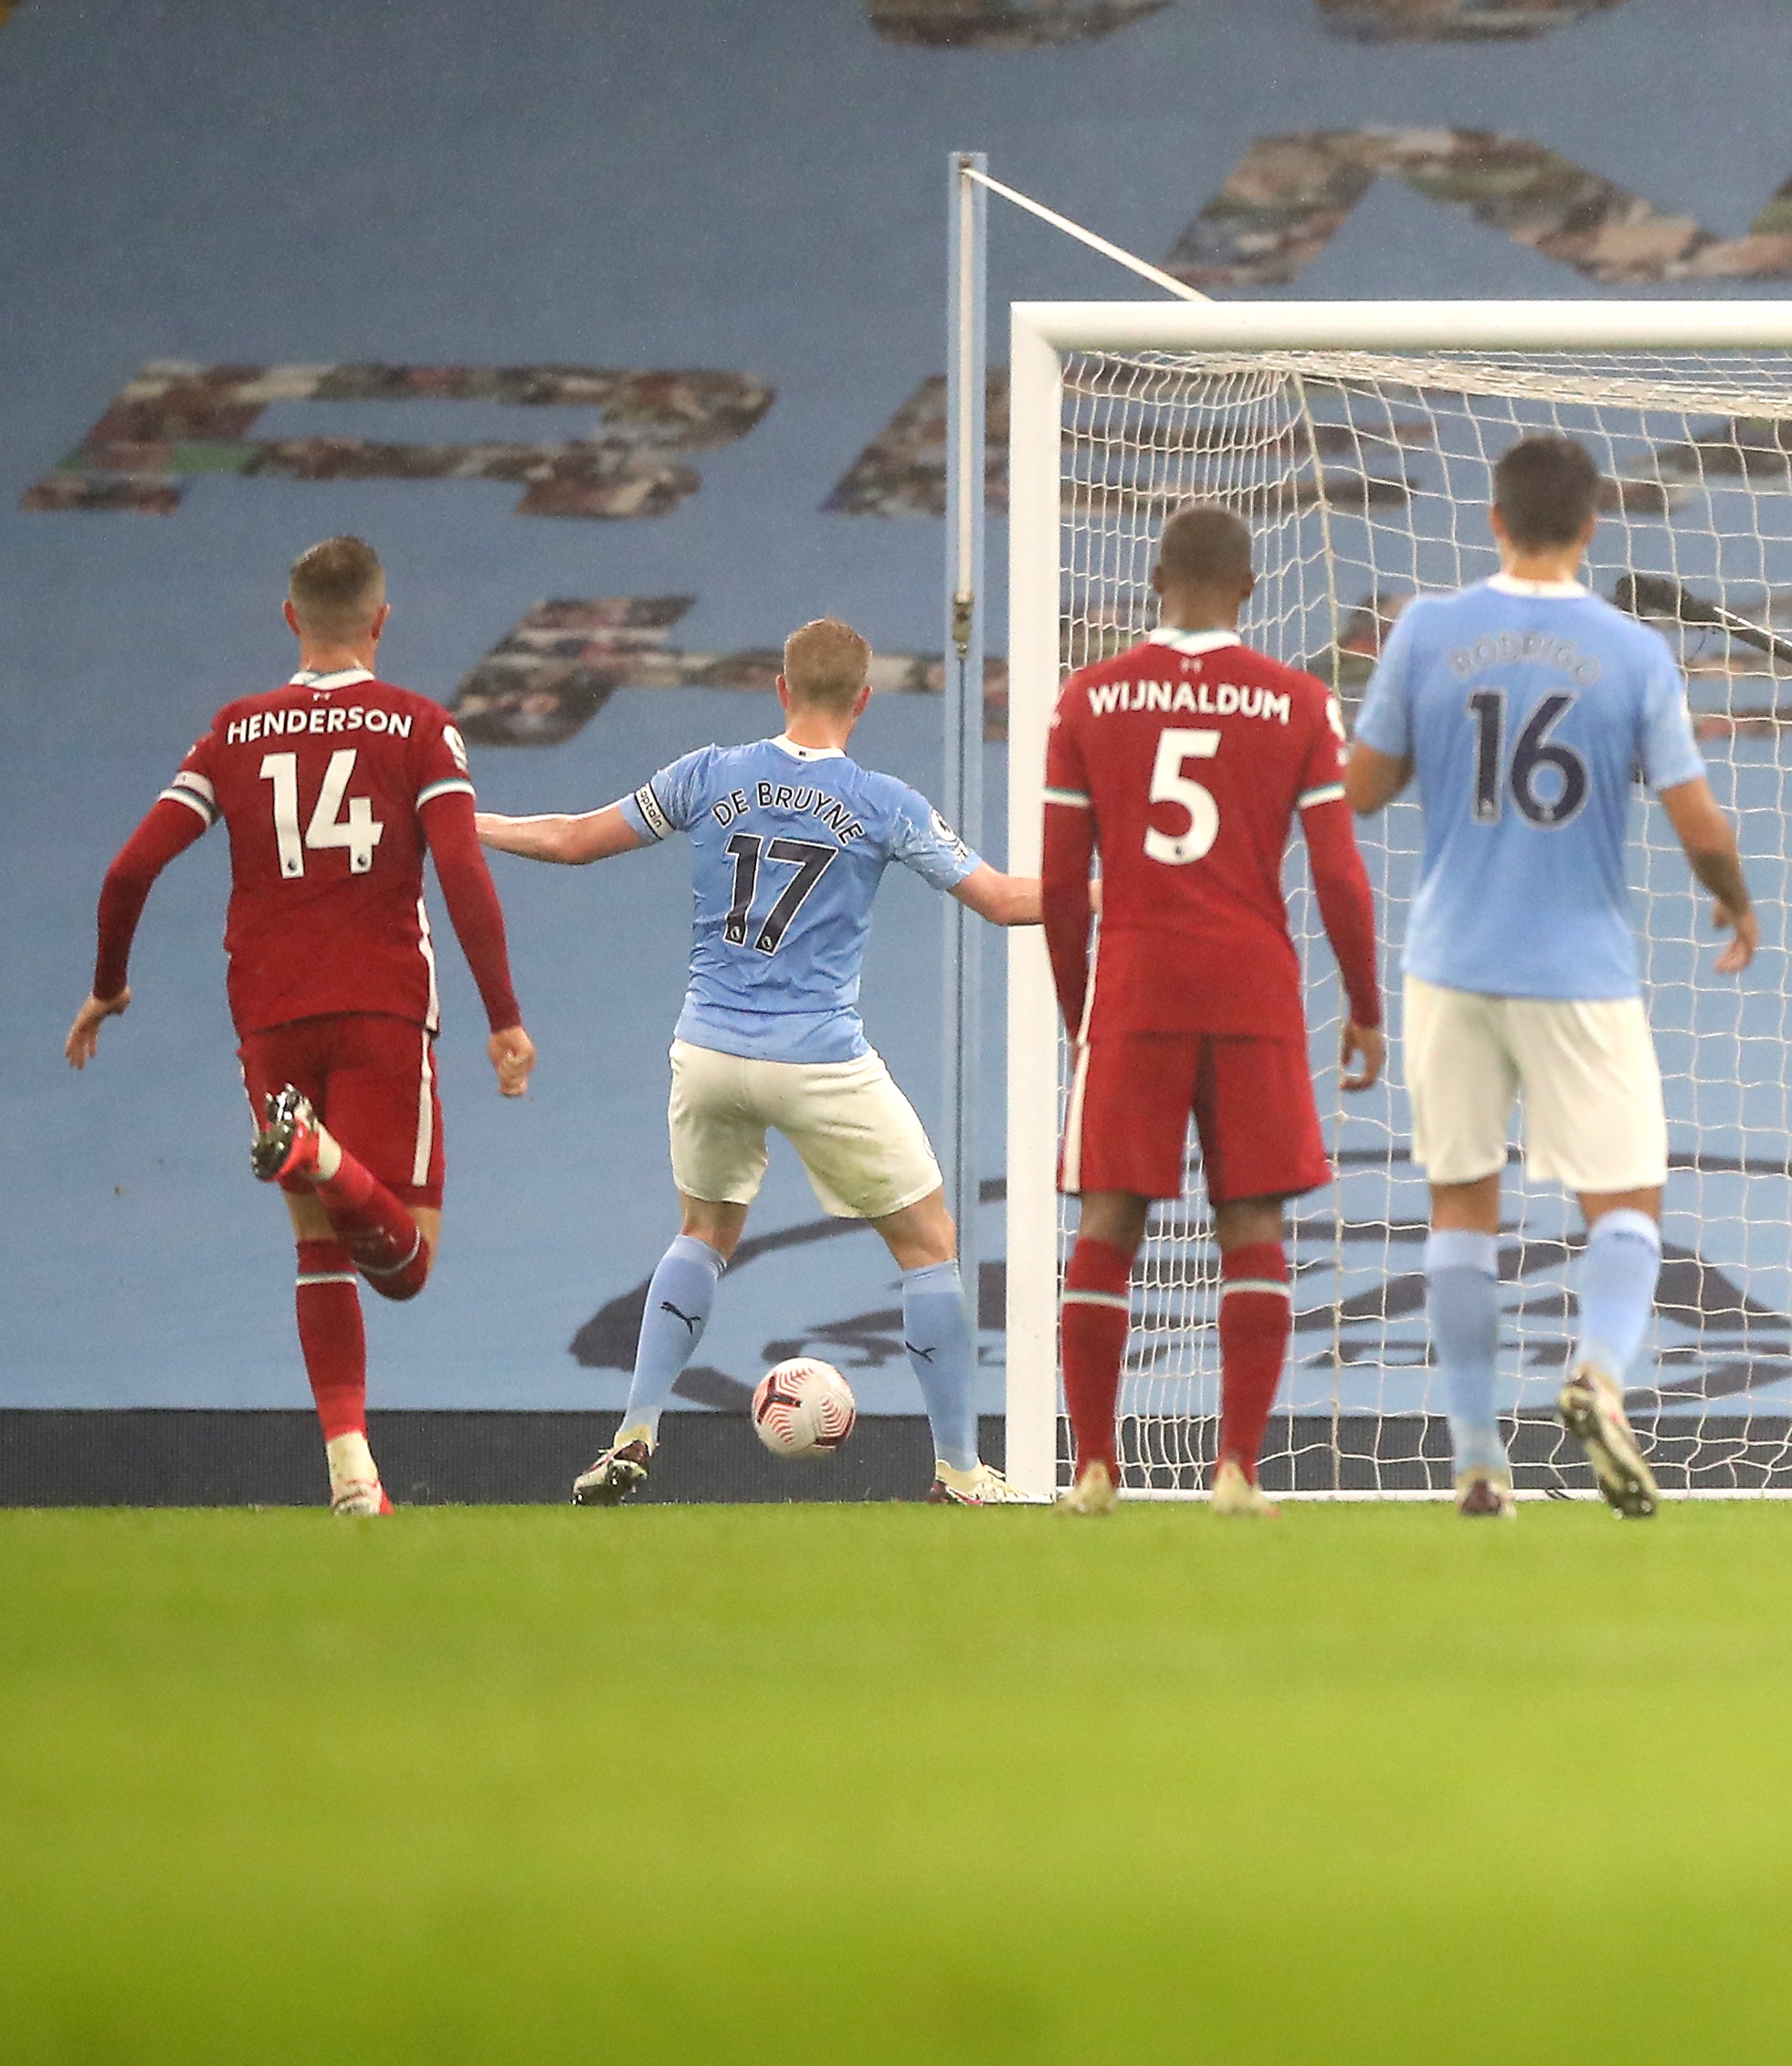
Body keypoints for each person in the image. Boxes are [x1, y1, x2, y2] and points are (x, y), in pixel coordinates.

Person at [481, 618, 1038, 1503]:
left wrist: (463, 822)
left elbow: (574, 839)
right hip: (817, 1054)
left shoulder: (708, 772)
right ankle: (961, 1470)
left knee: (702, 1232)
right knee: (929, 1243)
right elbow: (1006, 902)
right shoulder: (883, 799)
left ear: (779, 689)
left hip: (707, 1048)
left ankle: (633, 1430)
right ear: (863, 699)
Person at [67, 536, 535, 1516]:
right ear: (381, 619)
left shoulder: (233, 731)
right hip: (383, 1005)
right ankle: (321, 1156)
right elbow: (461, 870)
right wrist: (504, 1017)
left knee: (318, 1250)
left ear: (290, 619)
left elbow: (126, 871)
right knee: (405, 1264)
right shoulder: (419, 728)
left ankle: (351, 1469)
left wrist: (109, 984)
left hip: (269, 1013)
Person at [1344, 436, 1755, 1522]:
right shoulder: (1630, 651)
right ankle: (1601, 1374)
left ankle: (1480, 1461)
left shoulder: (1427, 629)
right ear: (1591, 525)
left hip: (1449, 963)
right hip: (1578, 966)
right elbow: (1696, 816)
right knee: (1627, 1197)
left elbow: (1364, 787)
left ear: (1493, 517)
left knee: (1460, 1204)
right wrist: (1733, 892)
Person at [1040, 505, 1384, 1518]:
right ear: (1250, 585)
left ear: (1154, 578)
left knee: (1110, 1215)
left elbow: (1063, 885)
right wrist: (1364, 1003)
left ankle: (1095, 1469)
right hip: (1252, 986)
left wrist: (1079, 1011)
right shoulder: (1299, 700)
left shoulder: (1086, 698)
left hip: (1138, 982)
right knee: (1253, 1221)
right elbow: (1338, 872)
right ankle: (1236, 1469)